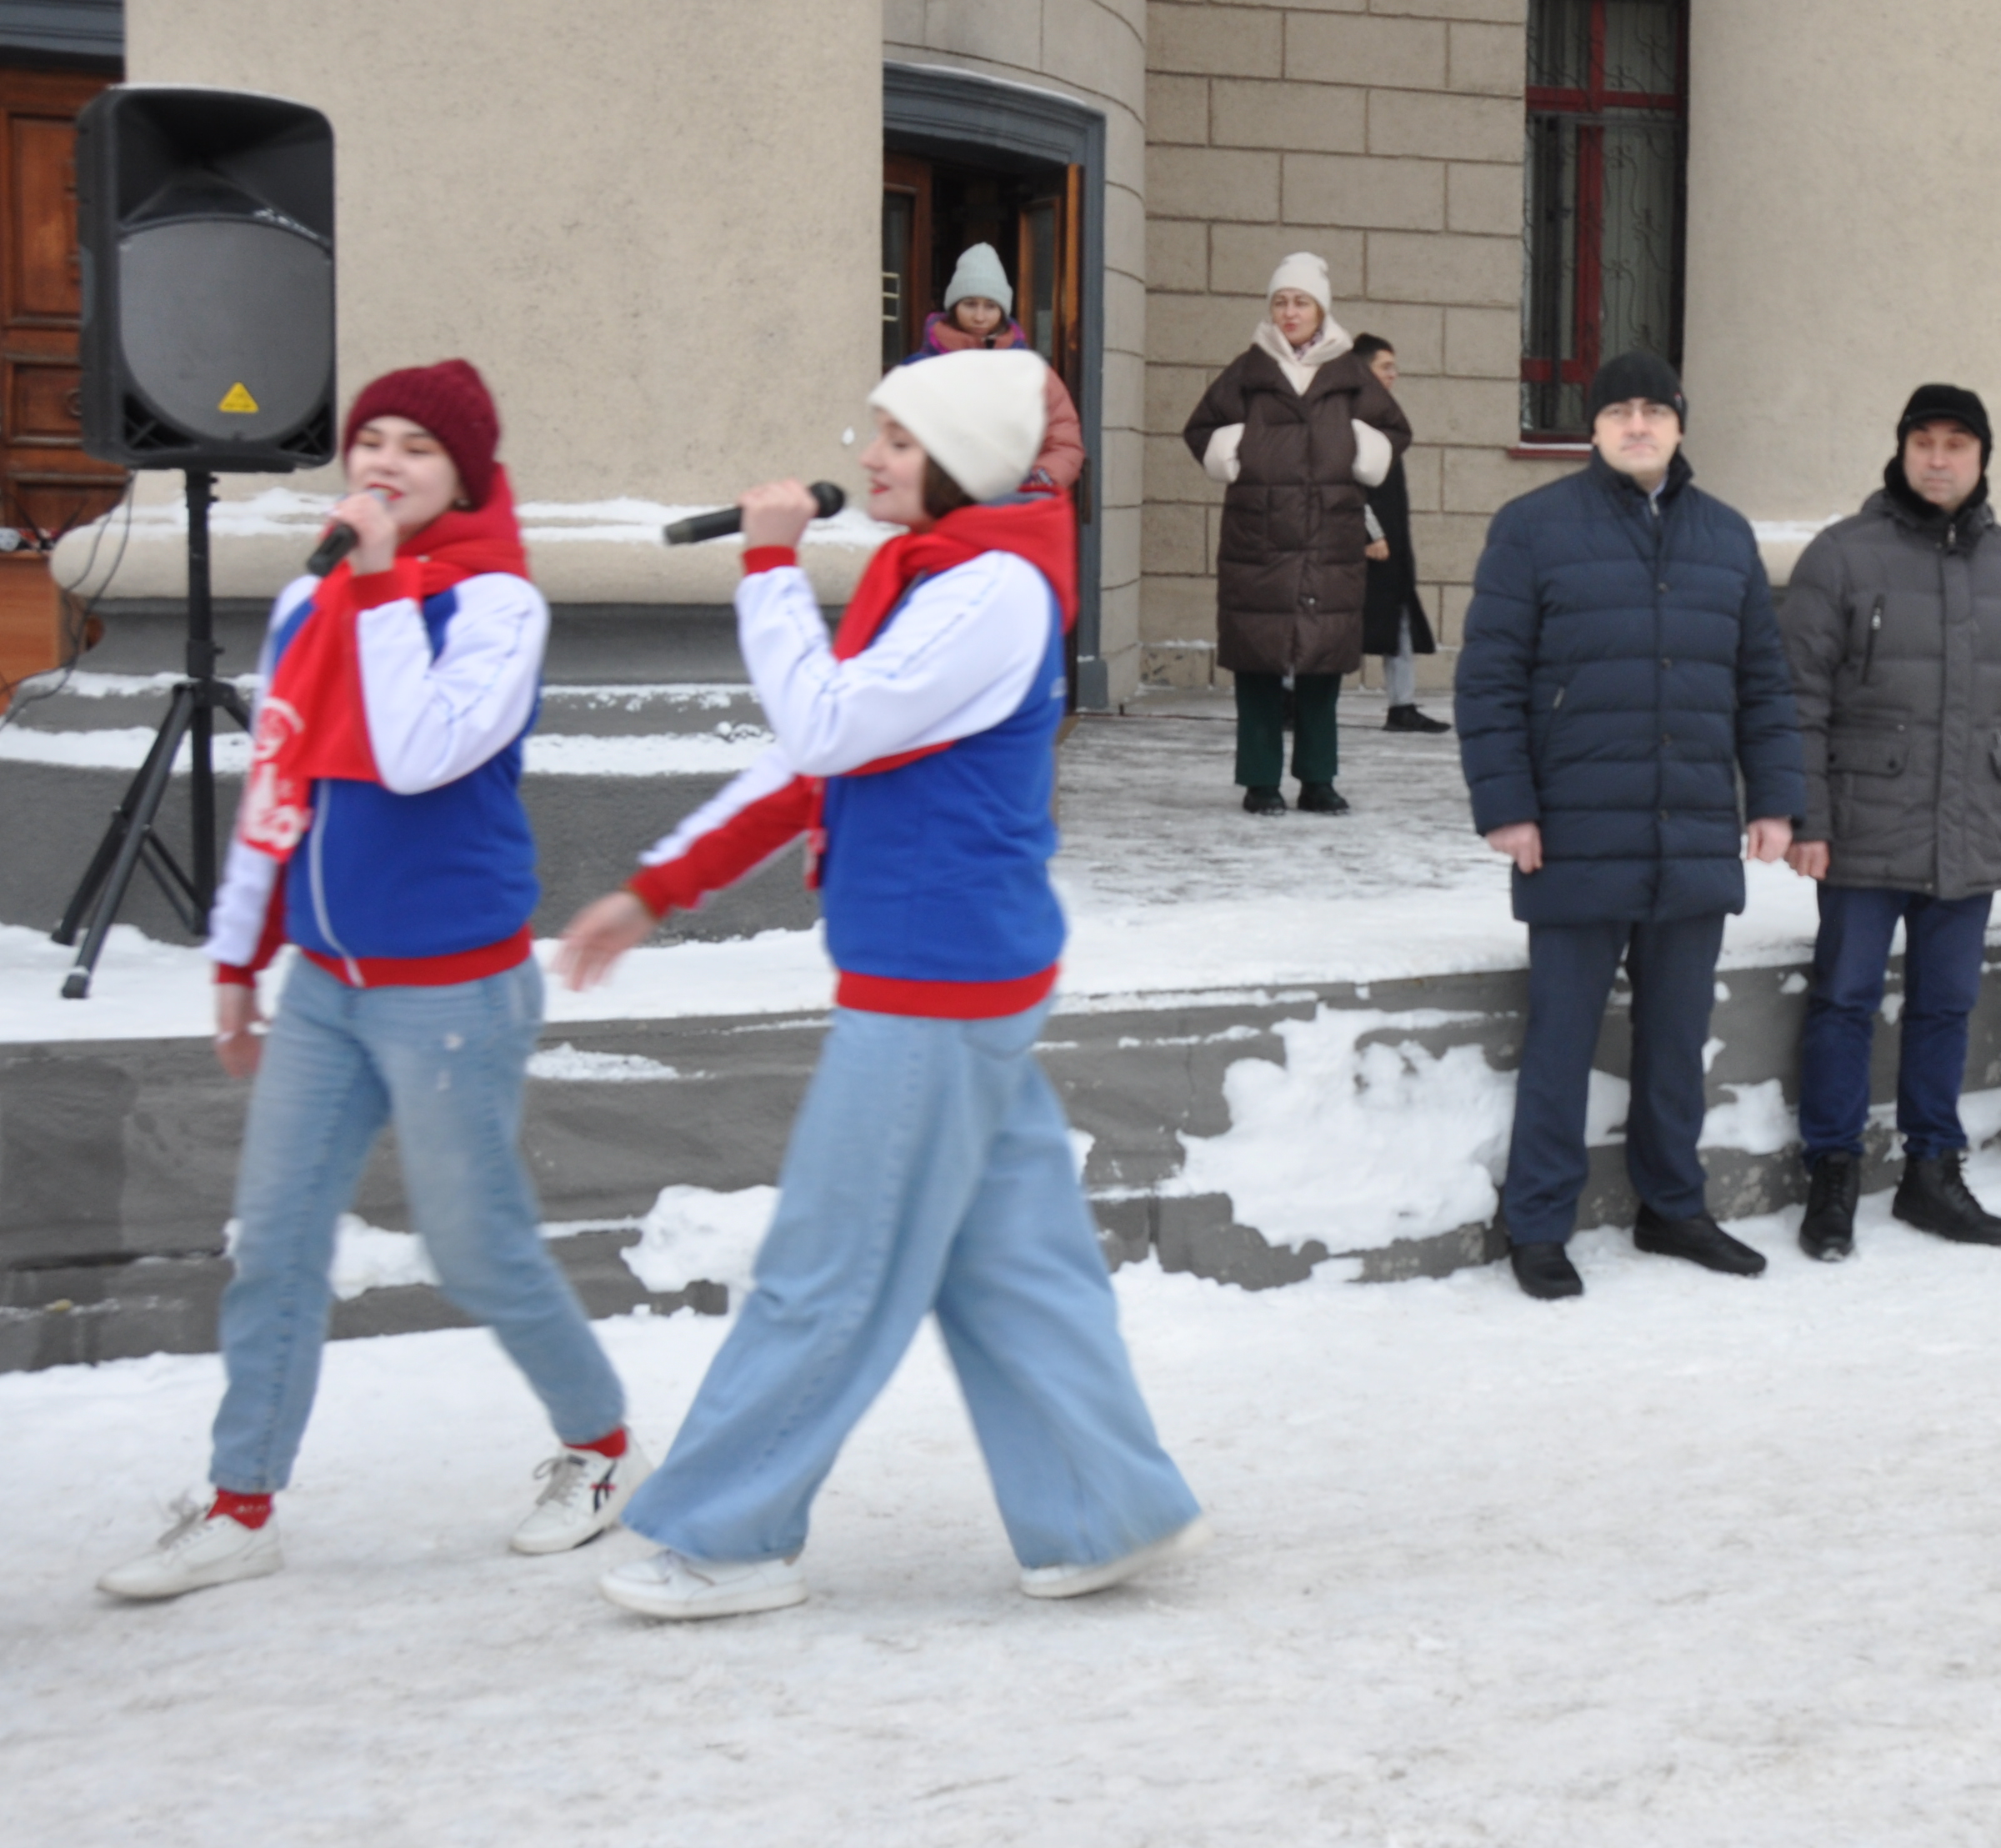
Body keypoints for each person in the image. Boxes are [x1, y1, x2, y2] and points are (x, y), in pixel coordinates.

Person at [557, 349, 1203, 1619]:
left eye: (899, 440)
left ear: (963, 460)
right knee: (1016, 1267)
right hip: (948, 972)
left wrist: (765, 567)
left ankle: (730, 1538)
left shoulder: (998, 589)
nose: (868, 459)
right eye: (877, 435)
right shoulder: (945, 581)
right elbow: (823, 765)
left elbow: (825, 728)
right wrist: (659, 886)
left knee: (827, 1266)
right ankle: (1104, 1508)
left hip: (934, 980)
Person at [101, 361, 639, 1600]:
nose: (383, 464)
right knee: (275, 1242)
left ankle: (603, 1447)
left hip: (453, 986)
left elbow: (412, 754)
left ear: (465, 475)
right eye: (369, 442)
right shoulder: (318, 603)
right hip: (329, 988)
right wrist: (241, 950)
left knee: (474, 1245)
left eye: (416, 448)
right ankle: (242, 1504)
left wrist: (385, 585)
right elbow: (281, 779)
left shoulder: (498, 606)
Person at [1457, 350, 1805, 1301]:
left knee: (1674, 1043)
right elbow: (1488, 678)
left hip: (1689, 828)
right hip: (1573, 829)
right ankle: (1537, 1223)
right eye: (1620, 410)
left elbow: (1762, 685)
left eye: (1655, 409)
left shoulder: (1726, 537)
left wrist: (1774, 799)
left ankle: (1672, 1206)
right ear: (1595, 426)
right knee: (1561, 1041)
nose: (1638, 424)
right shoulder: (1533, 528)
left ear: (1681, 424)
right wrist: (1508, 809)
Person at [1779, 383, 2001, 1260]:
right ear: (1900, 450)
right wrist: (1805, 817)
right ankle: (1831, 1172)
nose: (1938, 459)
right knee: (1844, 1001)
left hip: (1970, 819)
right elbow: (1797, 701)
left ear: (1982, 458)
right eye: (1924, 442)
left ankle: (1931, 1172)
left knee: (1946, 1005)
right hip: (1864, 822)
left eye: (1957, 444)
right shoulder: (1840, 555)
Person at [1182, 253, 1410, 814]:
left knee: (1322, 663)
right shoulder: (1249, 369)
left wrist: (1360, 450)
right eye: (1281, 301)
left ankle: (1318, 779)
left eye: (1300, 301)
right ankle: (1260, 781)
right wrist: (1231, 452)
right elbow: (1202, 428)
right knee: (1258, 662)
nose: (1289, 312)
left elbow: (1393, 428)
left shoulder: (1349, 371)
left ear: (1320, 309)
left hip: (1328, 538)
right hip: (1257, 537)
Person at [905, 241, 1083, 491]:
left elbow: (1064, 442)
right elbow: (895, 440)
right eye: (970, 304)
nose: (980, 316)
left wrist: (1036, 484)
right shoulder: (920, 370)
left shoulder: (1032, 373)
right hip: (939, 506)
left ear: (1002, 310)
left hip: (1012, 511)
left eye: (990, 306)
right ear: (954, 307)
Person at [1350, 333, 1448, 734]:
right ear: (1363, 370)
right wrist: (1368, 533)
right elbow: (1348, 483)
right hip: (1364, 543)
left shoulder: (1380, 415)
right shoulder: (1351, 418)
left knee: (1399, 618)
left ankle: (1402, 706)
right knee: (1328, 621)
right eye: (1385, 366)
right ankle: (1289, 699)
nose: (1394, 374)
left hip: (1389, 544)